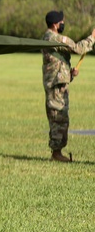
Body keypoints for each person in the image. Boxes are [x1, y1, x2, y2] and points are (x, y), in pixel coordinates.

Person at [41, 10, 95, 162]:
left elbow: (55, 62)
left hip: (56, 82)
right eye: (61, 22)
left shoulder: (47, 37)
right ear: (55, 24)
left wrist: (69, 74)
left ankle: (57, 152)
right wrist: (92, 38)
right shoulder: (56, 38)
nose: (63, 23)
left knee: (57, 117)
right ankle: (56, 154)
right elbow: (78, 48)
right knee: (59, 117)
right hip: (56, 85)